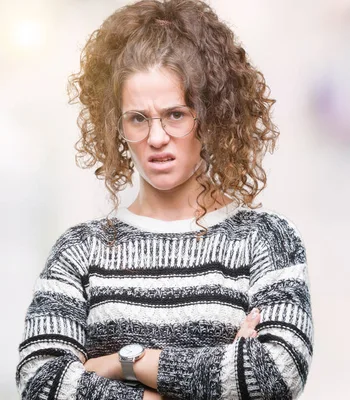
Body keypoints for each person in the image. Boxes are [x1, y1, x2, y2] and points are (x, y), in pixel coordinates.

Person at [15, 1, 313, 399]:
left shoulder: (267, 240)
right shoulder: (80, 252)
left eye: (175, 115)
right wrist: (210, 376)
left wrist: (125, 362)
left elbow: (276, 373)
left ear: (210, 115)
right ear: (115, 125)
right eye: (138, 118)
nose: (156, 138)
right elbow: (40, 381)